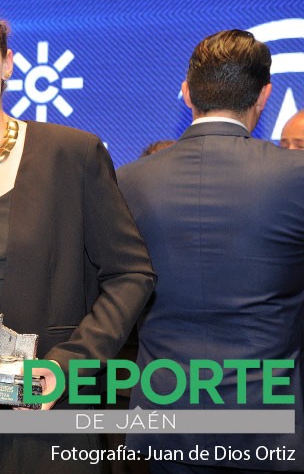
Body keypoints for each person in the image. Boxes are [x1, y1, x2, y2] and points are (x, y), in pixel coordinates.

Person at [0, 0, 156, 474]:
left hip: (40, 418)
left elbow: (131, 273)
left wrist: (69, 365)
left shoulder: (71, 155)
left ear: (8, 65)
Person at [118, 30, 304, 473]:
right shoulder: (295, 176)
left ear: (186, 94)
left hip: (164, 425)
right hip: (268, 427)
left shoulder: (127, 181)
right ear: (265, 94)